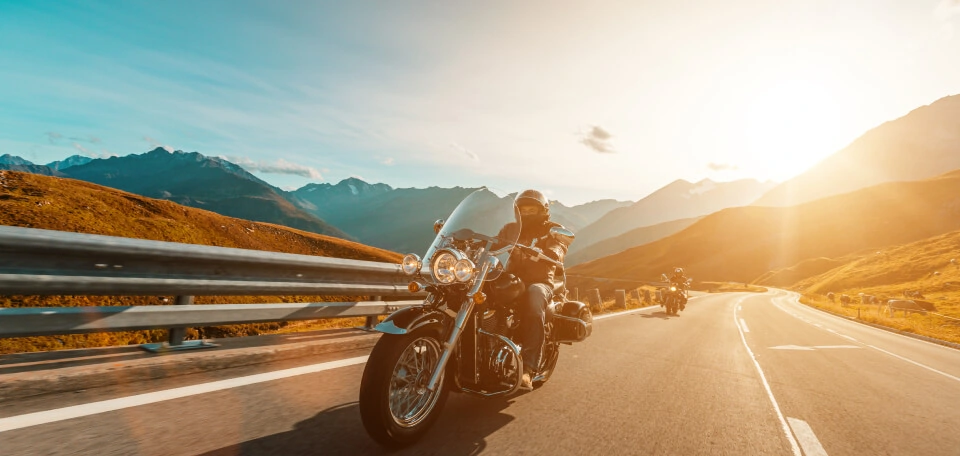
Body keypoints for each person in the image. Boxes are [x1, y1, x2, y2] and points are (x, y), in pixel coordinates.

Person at [498, 189, 571, 390]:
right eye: (523, 209)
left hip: (540, 281)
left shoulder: (553, 230)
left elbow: (559, 246)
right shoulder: (510, 229)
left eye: (531, 209)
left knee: (534, 296)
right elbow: (494, 244)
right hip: (510, 278)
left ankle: (528, 369)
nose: (527, 213)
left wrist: (550, 252)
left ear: (543, 211)